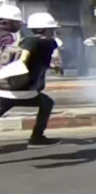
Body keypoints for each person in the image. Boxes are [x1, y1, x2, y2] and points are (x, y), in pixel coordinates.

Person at [0, 12, 61, 146]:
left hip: (7, 89)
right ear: (47, 29)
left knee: (46, 102)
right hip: (25, 91)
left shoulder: (22, 40)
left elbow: (33, 60)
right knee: (46, 103)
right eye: (52, 29)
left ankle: (37, 137)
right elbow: (26, 57)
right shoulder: (46, 43)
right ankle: (37, 137)